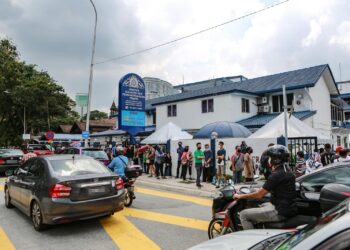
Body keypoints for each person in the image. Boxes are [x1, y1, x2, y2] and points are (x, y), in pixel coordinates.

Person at [234, 145, 297, 230]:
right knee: (259, 204)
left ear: (275, 159)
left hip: (279, 211)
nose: (269, 160)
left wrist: (240, 196)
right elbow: (275, 188)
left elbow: (259, 195)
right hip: (288, 208)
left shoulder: (276, 175)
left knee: (243, 215)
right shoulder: (288, 171)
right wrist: (255, 190)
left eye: (270, 158)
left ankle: (252, 242)